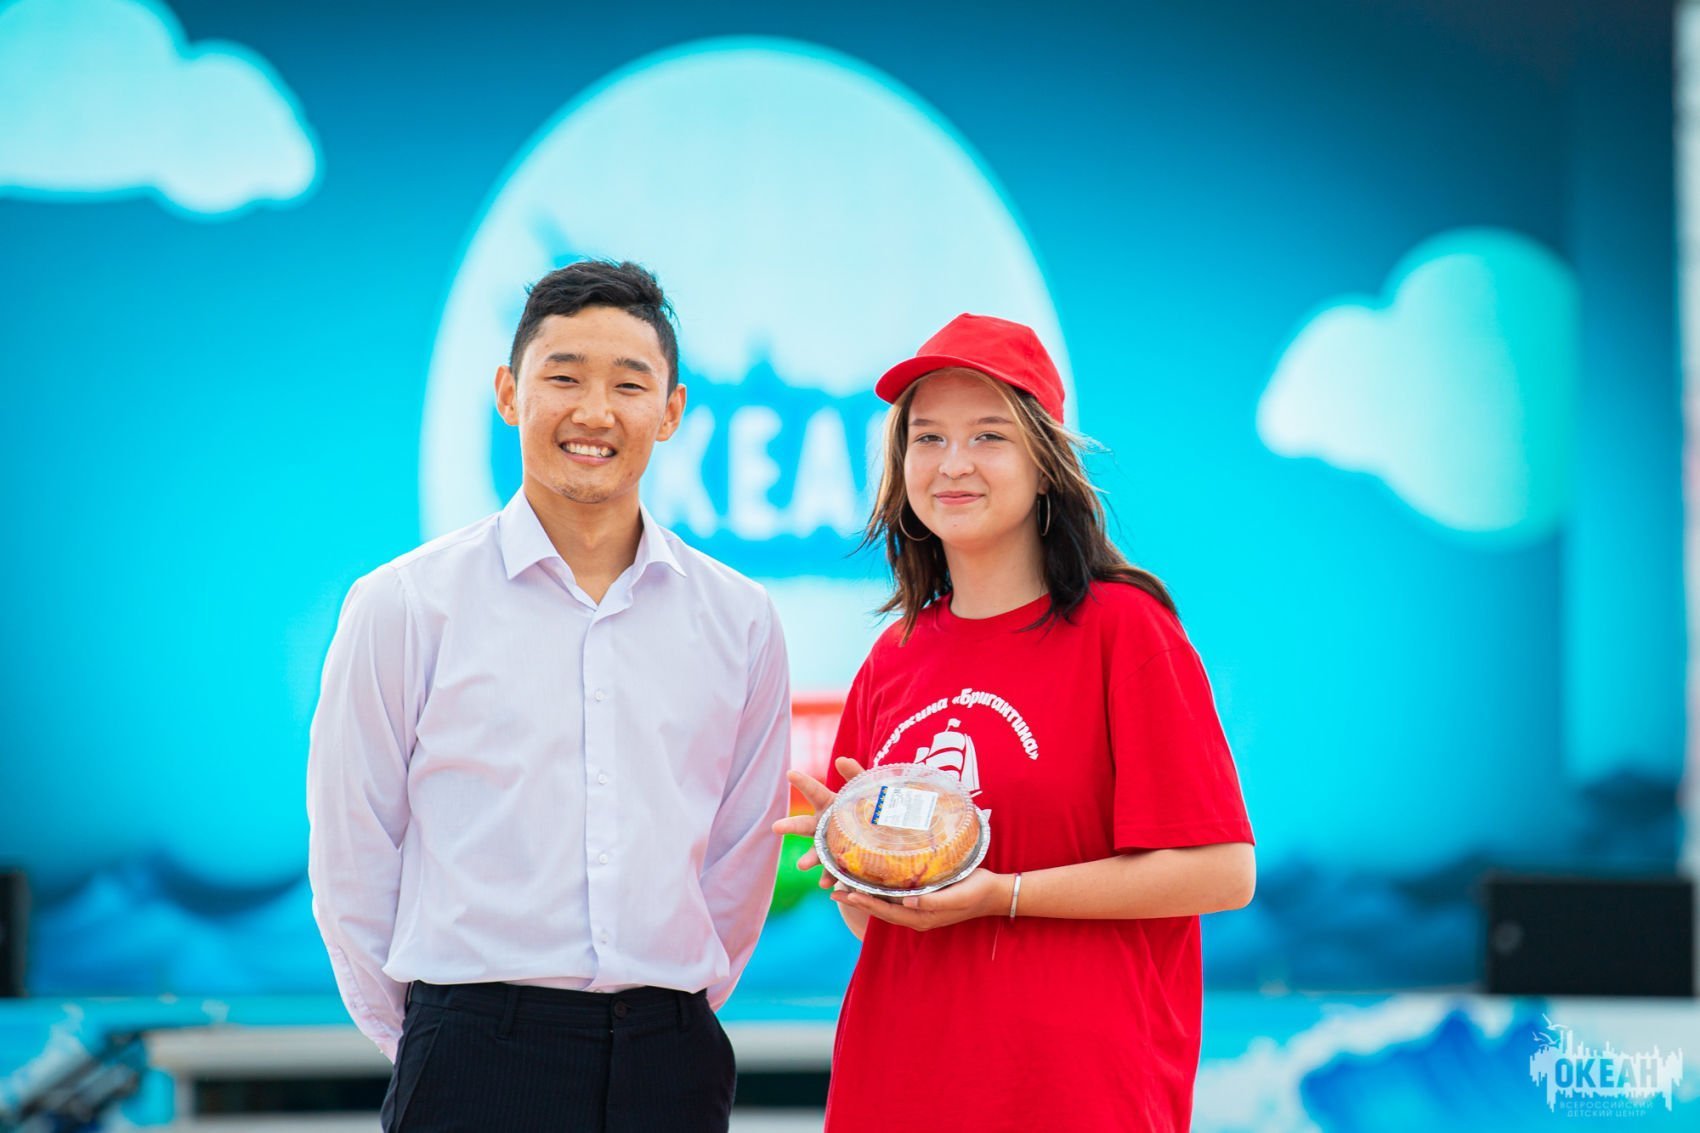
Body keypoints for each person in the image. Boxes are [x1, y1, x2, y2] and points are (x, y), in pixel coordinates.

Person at [307, 260, 790, 1133]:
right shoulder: (405, 604)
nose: (595, 412)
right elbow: (354, 848)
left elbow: (742, 849)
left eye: (629, 384)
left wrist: (663, 1009)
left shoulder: (740, 618)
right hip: (473, 1057)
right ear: (508, 393)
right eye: (563, 377)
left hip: (670, 1061)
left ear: (671, 411)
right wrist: (433, 1039)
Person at [775, 314, 1255, 1132]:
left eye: (988, 435)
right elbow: (882, 926)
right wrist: (862, 871)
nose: (953, 462)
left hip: (1076, 1094)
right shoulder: (892, 660)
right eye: (927, 437)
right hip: (897, 1087)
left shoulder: (1124, 630)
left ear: (1044, 464)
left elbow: (1222, 871)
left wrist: (1003, 895)